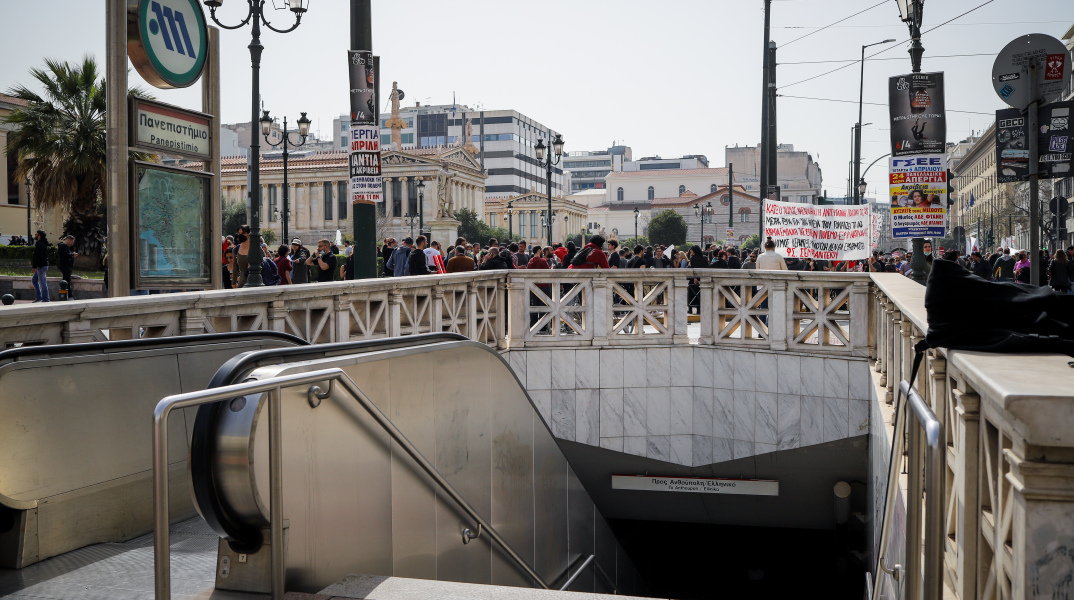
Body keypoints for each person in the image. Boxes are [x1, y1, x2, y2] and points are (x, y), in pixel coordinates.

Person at [31, 229, 50, 302]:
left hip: (41, 266)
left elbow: (38, 256)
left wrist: (34, 266)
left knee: (42, 282)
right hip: (43, 265)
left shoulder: (39, 244)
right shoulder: (44, 243)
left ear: (39, 236)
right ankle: (39, 296)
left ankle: (45, 298)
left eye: (36, 234)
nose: (35, 235)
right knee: (34, 280)